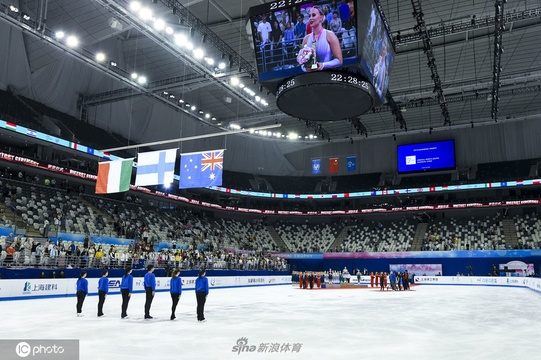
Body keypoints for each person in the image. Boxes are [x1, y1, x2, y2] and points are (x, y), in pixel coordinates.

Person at [300, 5, 343, 72]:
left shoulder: (330, 35)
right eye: (309, 16)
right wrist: (305, 68)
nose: (310, 18)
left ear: (321, 17)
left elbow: (339, 61)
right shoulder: (306, 39)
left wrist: (323, 65)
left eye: (313, 15)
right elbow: (302, 64)